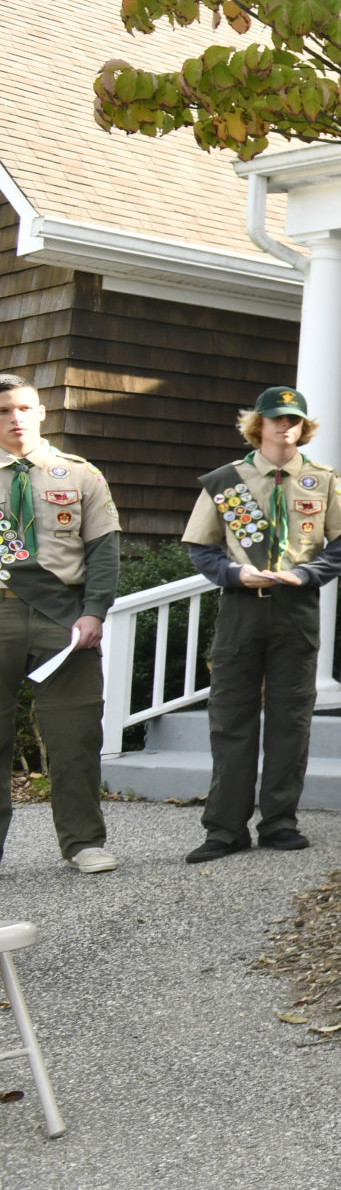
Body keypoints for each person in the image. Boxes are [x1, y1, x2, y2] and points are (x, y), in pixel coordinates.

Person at [179, 386, 341, 864]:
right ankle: (224, 828)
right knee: (232, 717)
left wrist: (304, 574)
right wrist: (234, 573)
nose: (286, 426)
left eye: (294, 420)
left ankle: (280, 822)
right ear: (257, 424)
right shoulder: (226, 481)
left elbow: (340, 547)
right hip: (242, 607)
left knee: (291, 718)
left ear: (303, 426)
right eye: (277, 418)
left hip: (296, 607)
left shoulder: (322, 480)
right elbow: (202, 548)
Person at [0, 374, 122, 875]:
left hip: (64, 619)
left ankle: (83, 843)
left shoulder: (80, 475)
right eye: (4, 411)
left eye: (24, 408)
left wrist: (95, 610)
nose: (15, 419)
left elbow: (104, 550)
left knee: (75, 736)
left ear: (42, 411)